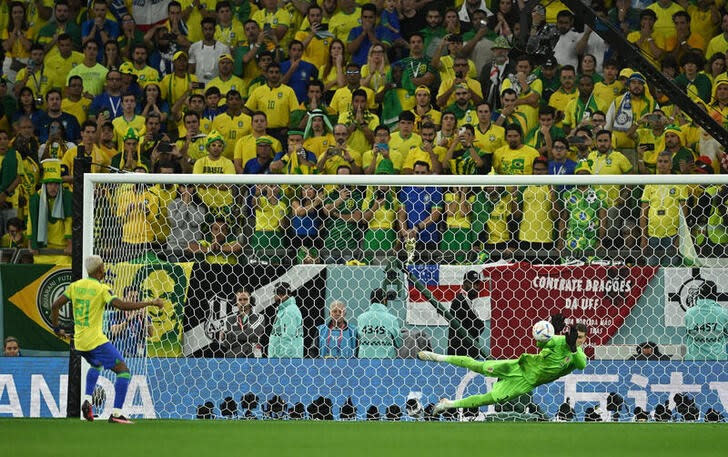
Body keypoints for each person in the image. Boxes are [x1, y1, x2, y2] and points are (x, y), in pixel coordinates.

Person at [51, 255, 163, 423]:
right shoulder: (102, 289)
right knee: (124, 371)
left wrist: (57, 328)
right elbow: (122, 306)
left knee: (97, 364)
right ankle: (117, 413)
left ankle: (88, 400)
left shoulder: (75, 286)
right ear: (101, 270)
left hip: (80, 342)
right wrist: (150, 303)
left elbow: (55, 305)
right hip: (95, 340)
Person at [420, 315, 588, 413]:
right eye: (575, 335)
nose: (577, 339)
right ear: (570, 333)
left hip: (525, 382)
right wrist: (550, 336)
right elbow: (542, 343)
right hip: (520, 365)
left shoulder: (577, 354)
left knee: (487, 399)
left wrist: (573, 347)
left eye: (580, 337)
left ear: (584, 338)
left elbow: (582, 365)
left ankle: (447, 404)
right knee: (478, 366)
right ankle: (437, 357)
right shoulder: (559, 340)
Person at [684, 280, 728, 361]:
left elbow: (687, 334)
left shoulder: (689, 313)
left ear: (699, 294)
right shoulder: (724, 313)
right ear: (715, 295)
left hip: (694, 360)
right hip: (718, 360)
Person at [447, 271, 485, 358]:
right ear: (465, 284)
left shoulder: (467, 300)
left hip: (467, 354)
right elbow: (479, 326)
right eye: (473, 283)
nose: (477, 287)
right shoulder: (461, 300)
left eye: (478, 284)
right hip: (462, 355)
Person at [357, 288, 403, 359]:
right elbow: (399, 343)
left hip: (364, 361)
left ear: (371, 300)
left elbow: (357, 340)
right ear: (385, 300)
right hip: (386, 361)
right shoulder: (392, 319)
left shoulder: (361, 318)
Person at [220, 289, 265, 358]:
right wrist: (246, 340)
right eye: (240, 300)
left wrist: (229, 334)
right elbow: (228, 344)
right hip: (233, 358)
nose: (243, 302)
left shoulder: (259, 317)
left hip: (253, 357)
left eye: (245, 299)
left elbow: (249, 334)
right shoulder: (229, 320)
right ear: (236, 301)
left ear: (250, 300)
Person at [268, 282, 303, 358]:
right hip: (284, 358)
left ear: (279, 295)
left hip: (285, 360)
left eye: (274, 294)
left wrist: (283, 360)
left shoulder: (289, 311)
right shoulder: (286, 309)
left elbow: (287, 337)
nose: (274, 297)